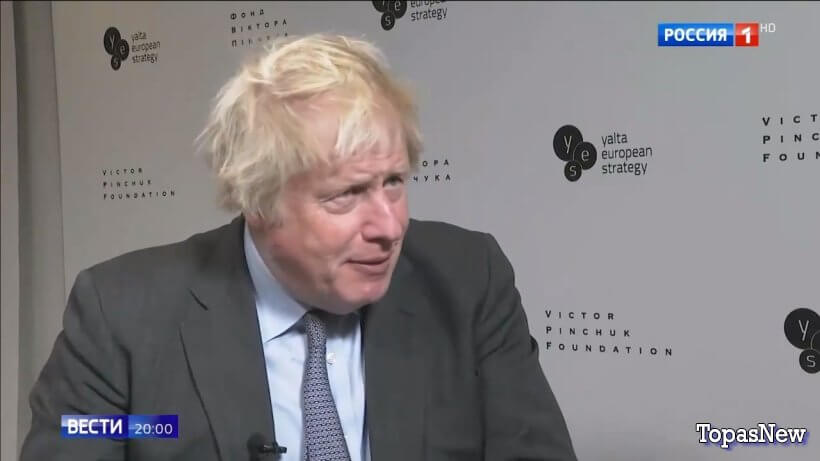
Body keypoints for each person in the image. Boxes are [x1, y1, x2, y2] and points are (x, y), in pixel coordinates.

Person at [21, 33, 576, 461]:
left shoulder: (469, 281)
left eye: (393, 183)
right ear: (258, 202)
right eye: (346, 195)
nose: (389, 226)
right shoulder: (120, 315)